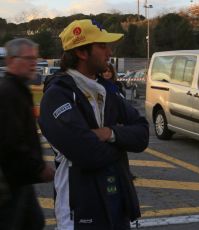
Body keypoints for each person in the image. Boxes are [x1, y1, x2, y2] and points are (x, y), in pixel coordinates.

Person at [38, 19, 149, 230]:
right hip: (80, 214)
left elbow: (143, 133)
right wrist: (123, 143)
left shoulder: (106, 91)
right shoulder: (57, 95)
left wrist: (110, 133)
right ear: (82, 53)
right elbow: (87, 153)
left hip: (117, 208)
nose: (109, 52)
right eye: (102, 46)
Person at [0, 38, 55, 230]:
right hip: (10, 184)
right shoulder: (8, 93)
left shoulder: (20, 90)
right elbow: (11, 142)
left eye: (35, 58)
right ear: (11, 61)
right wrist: (39, 168)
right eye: (28, 58)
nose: (34, 63)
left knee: (34, 222)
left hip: (21, 181)